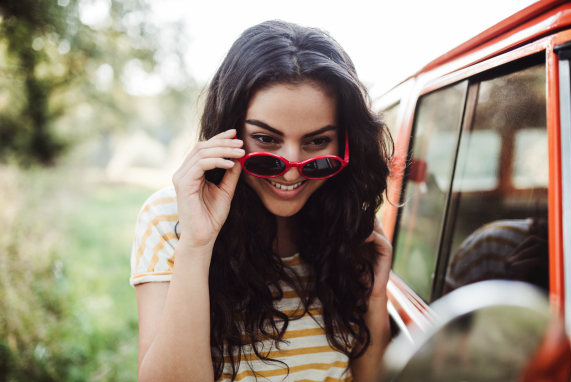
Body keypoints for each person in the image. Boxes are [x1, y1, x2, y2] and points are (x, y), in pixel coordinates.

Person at [131, 20, 394, 382]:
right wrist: (197, 243)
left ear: (346, 143)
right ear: (230, 133)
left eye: (317, 142)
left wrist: (375, 297)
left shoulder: (347, 224)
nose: (290, 171)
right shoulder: (169, 218)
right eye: (266, 140)